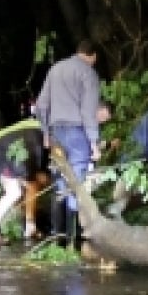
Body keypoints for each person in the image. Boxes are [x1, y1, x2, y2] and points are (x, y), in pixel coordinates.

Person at [34, 39, 104, 248]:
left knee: (60, 184)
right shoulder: (88, 73)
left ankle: (58, 238)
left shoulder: (55, 69)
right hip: (77, 133)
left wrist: (46, 133)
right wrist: (94, 143)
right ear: (92, 56)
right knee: (77, 185)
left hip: (56, 133)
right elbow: (88, 111)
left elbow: (40, 105)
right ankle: (74, 240)